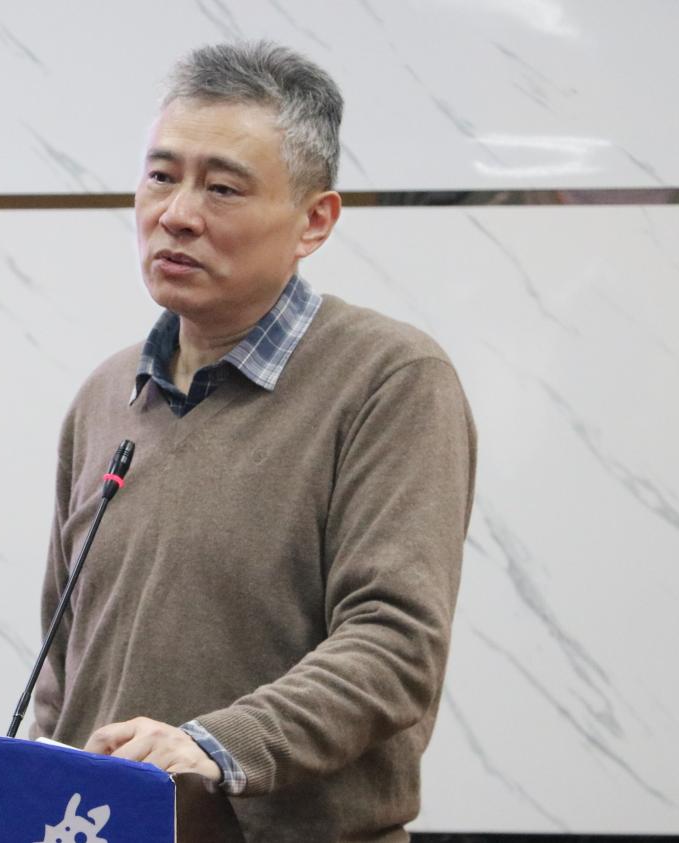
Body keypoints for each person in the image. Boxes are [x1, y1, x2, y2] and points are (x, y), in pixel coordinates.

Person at [33, 41, 477, 842]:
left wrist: (212, 747)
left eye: (222, 187)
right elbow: (64, 664)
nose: (176, 213)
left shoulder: (389, 379)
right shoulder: (106, 393)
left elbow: (394, 644)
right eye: (160, 176)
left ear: (314, 220)